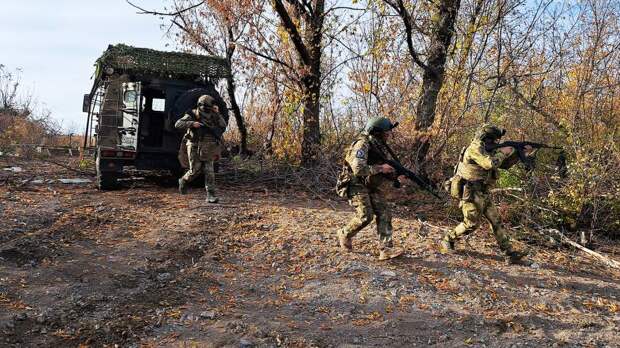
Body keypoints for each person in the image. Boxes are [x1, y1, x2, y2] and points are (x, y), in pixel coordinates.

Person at [439, 124, 532, 265]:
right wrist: (503, 151)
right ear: (487, 137)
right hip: (470, 191)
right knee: (471, 223)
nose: (496, 143)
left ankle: (510, 253)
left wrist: (520, 153)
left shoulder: (488, 149)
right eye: (494, 140)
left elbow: (504, 165)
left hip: (483, 191)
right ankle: (448, 238)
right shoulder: (475, 148)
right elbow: (489, 164)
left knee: (496, 221)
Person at [335, 116, 405, 261]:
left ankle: (386, 249)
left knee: (384, 211)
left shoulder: (378, 144)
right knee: (365, 216)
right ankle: (344, 233)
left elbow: (383, 168)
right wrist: (381, 168)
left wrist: (395, 178)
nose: (389, 134)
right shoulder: (362, 144)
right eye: (386, 131)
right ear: (377, 132)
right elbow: (358, 169)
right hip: (355, 184)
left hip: (370, 182)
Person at [175, 95, 227, 203]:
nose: (208, 109)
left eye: (210, 107)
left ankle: (210, 195)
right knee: (195, 170)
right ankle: (183, 180)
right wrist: (192, 124)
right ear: (200, 105)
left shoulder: (214, 115)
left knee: (209, 171)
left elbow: (223, 125)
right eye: (206, 107)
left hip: (208, 146)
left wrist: (217, 113)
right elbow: (178, 124)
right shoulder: (192, 114)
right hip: (194, 145)